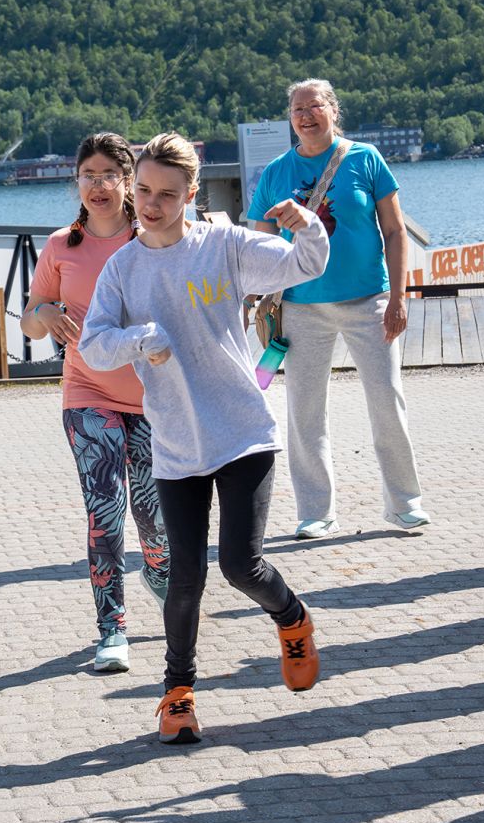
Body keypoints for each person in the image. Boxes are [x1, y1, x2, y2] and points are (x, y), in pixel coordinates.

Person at [79, 132, 328, 745]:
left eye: (168, 193)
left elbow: (304, 265)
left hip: (242, 432)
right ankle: (178, 695)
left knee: (241, 566)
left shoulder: (224, 246)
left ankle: (292, 619)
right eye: (143, 191)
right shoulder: (123, 266)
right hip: (175, 446)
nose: (152, 203)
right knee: (184, 576)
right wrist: (140, 340)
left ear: (192, 194)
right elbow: (91, 344)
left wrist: (305, 226)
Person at [247, 79, 426, 538]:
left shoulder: (365, 158)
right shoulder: (275, 172)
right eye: (297, 109)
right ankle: (315, 512)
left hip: (368, 300)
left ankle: (405, 502)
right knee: (305, 412)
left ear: (333, 110)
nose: (306, 116)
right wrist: (254, 295)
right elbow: (257, 243)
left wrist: (399, 298)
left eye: (315, 106)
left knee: (387, 400)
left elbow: (395, 231)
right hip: (302, 306)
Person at [20, 132, 169, 674]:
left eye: (110, 175)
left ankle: (159, 570)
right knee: (104, 512)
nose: (98, 185)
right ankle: (112, 628)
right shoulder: (62, 246)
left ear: (128, 182)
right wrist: (47, 314)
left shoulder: (150, 237)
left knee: (153, 516)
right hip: (87, 391)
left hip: (153, 398)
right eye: (89, 175)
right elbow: (31, 320)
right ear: (76, 183)